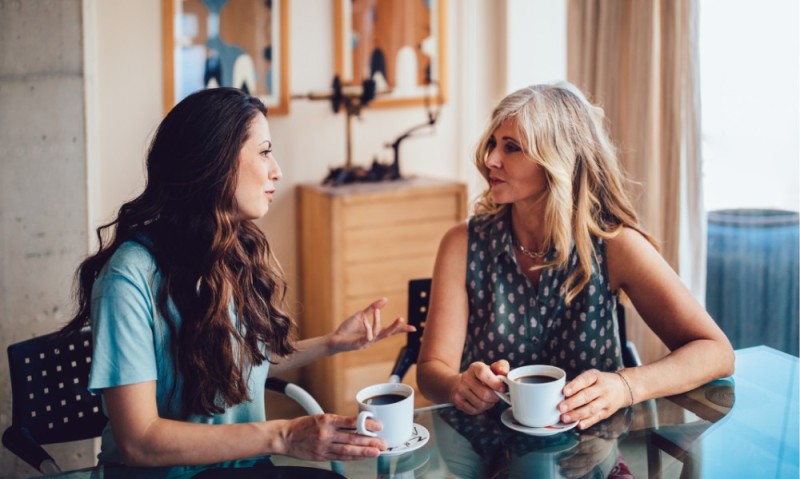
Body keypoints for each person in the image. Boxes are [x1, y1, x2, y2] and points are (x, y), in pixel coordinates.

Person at [61, 87, 413, 469]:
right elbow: (140, 441)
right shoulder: (128, 277)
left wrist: (331, 343)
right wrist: (283, 435)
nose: (277, 169)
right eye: (263, 152)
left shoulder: (229, 250)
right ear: (215, 162)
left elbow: (233, 364)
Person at [416, 82, 734, 431]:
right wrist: (457, 385)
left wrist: (626, 385)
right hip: (485, 449)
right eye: (493, 143)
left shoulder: (615, 245)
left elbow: (716, 351)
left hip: (594, 451)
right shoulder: (462, 243)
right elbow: (432, 370)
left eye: (511, 148)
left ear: (558, 160)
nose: (490, 159)